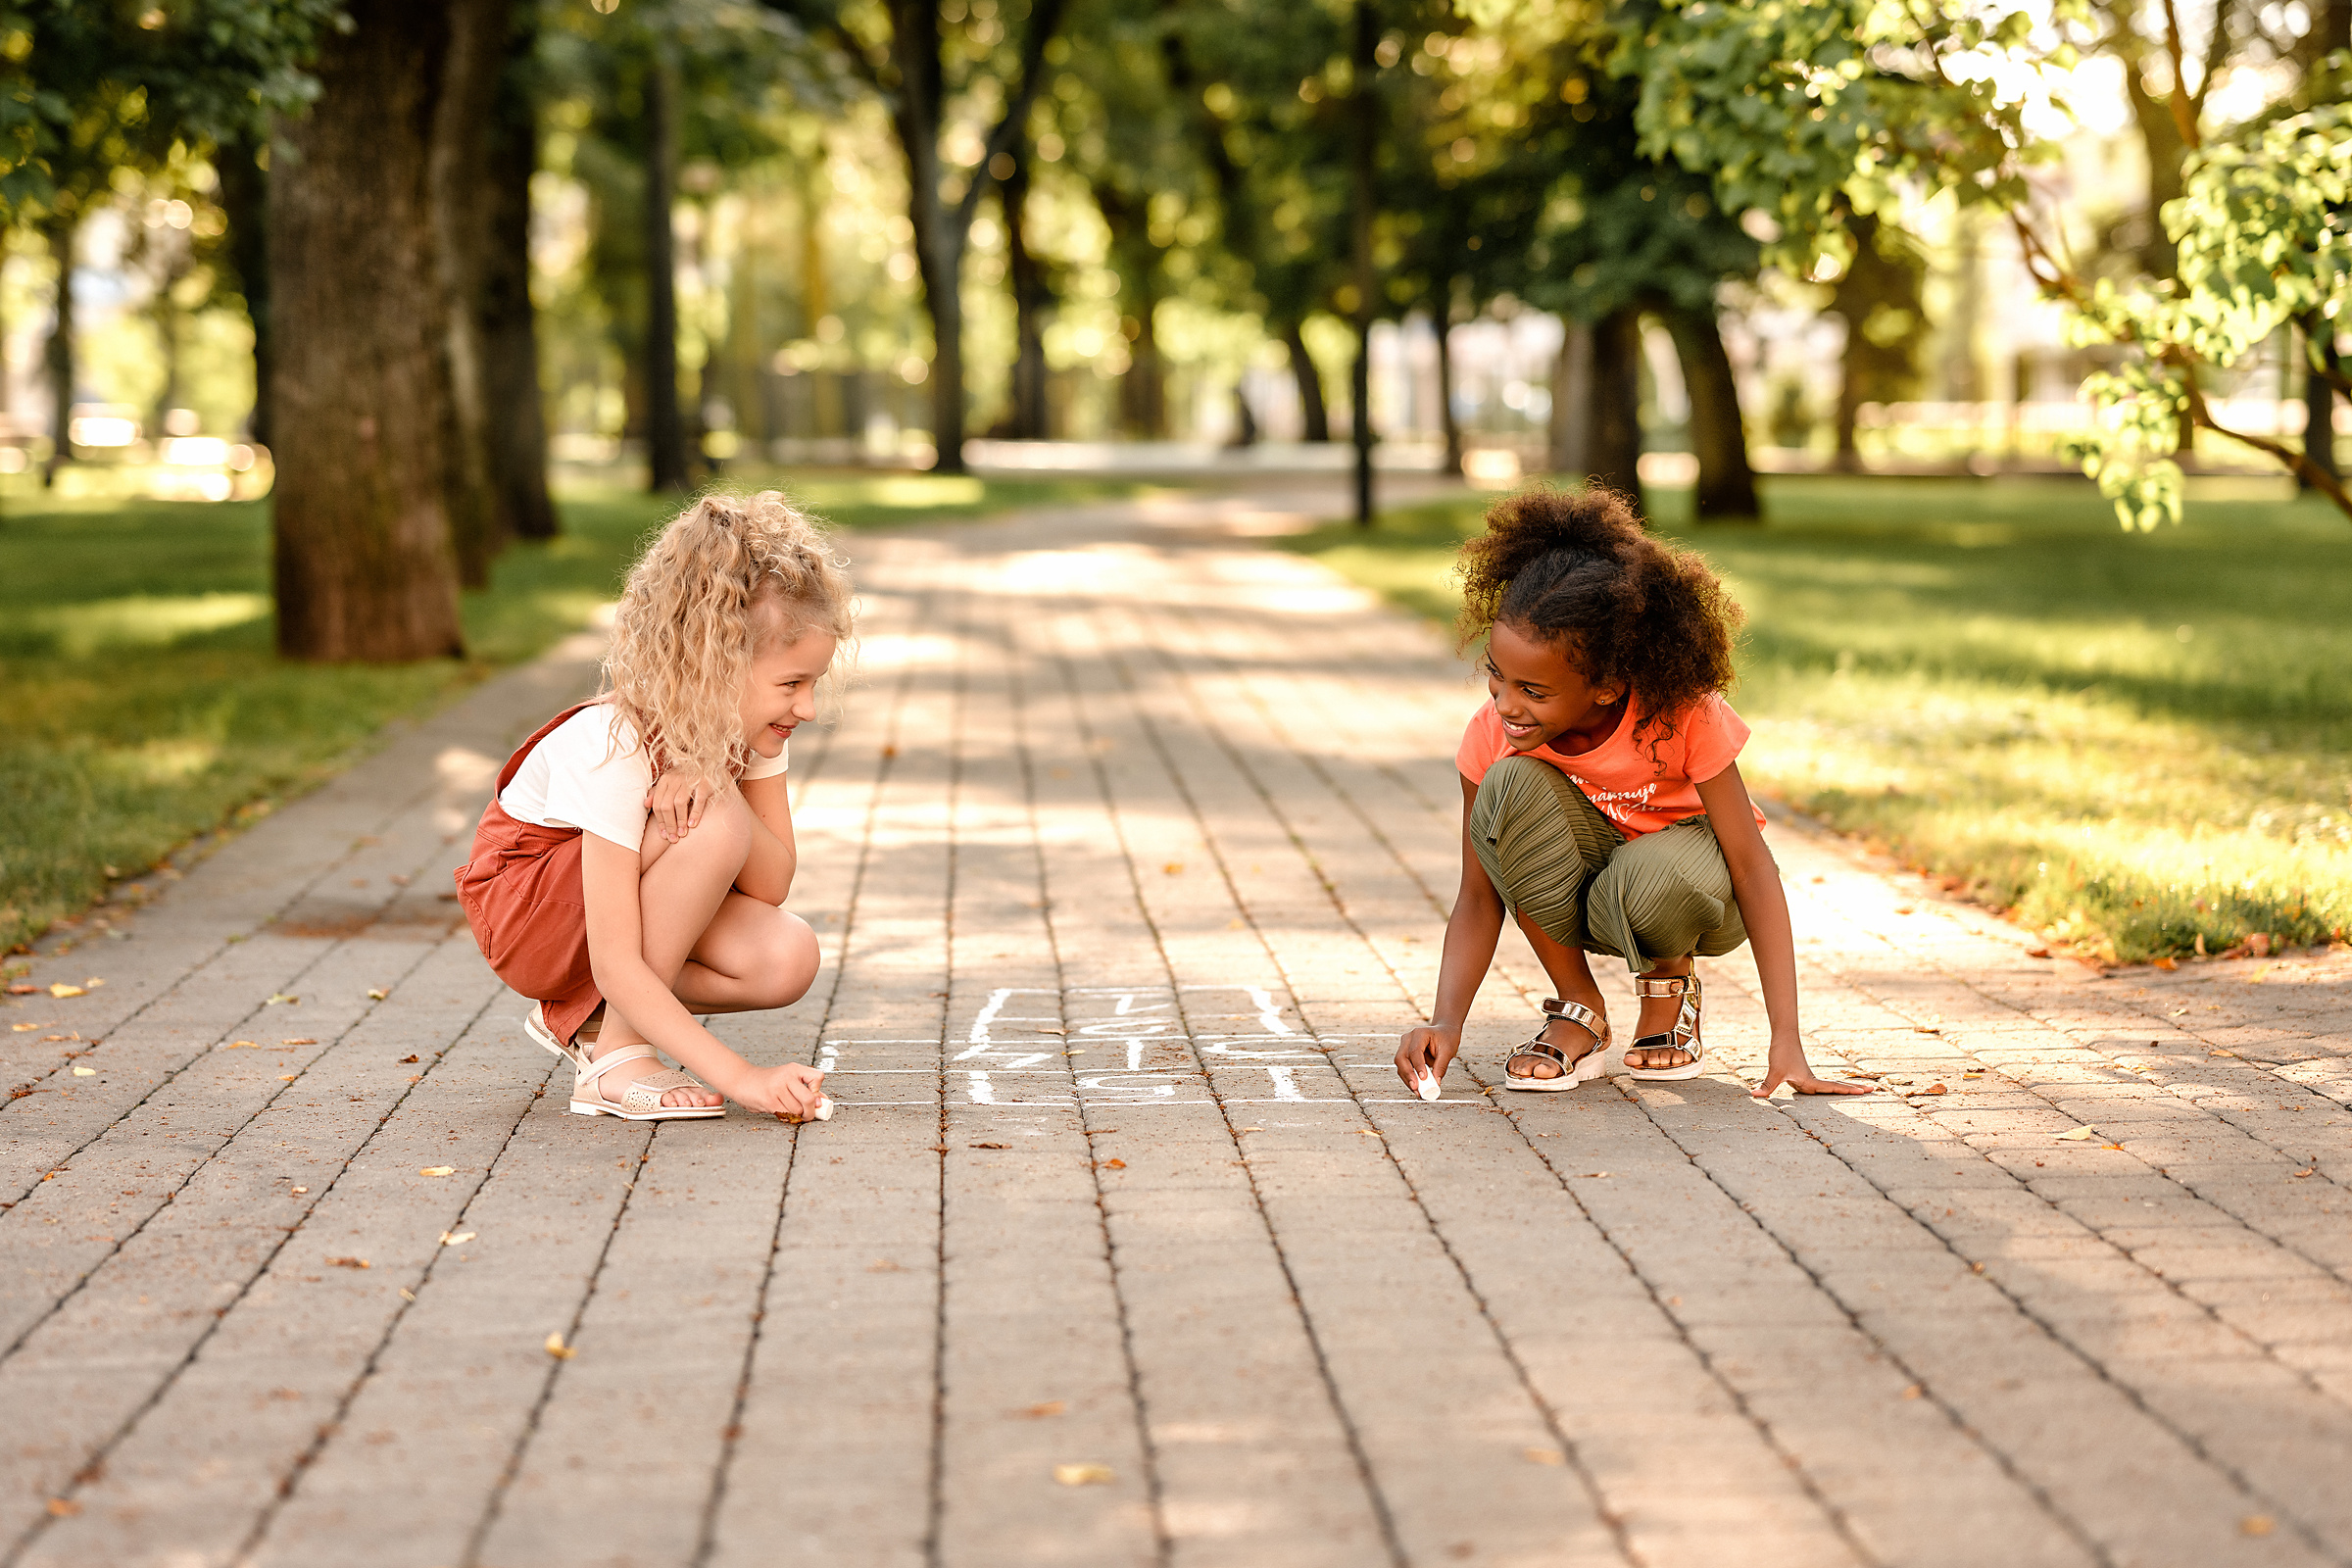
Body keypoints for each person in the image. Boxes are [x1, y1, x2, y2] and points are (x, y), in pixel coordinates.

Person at [1394, 485, 1866, 1101]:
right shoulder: (1494, 736)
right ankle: (1578, 1010)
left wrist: (1787, 1040)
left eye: (1533, 691)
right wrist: (1445, 1020)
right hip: (1589, 892)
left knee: (1650, 875)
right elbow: (1480, 896)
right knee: (1507, 786)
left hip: (1691, 888)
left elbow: (1751, 866)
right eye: (1496, 676)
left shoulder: (1681, 713)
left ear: (1608, 687)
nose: (1507, 705)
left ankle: (1670, 989)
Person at [456, 492, 846, 1122]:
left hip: (607, 920)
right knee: (711, 823)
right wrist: (743, 1078)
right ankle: (615, 1060)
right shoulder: (614, 744)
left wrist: (715, 774)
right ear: (714, 668)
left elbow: (770, 884)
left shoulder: (749, 732)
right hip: (530, 916)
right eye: (791, 685)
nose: (808, 708)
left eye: (813, 683)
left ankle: (585, 1014)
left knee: (786, 956)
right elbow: (614, 958)